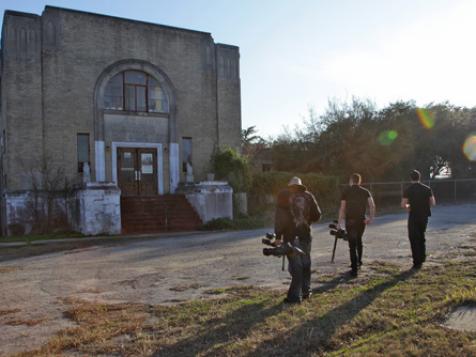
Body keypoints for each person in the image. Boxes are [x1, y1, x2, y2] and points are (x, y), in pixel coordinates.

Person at [284, 176, 321, 303]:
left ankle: (295, 294)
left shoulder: (286, 197)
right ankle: (306, 291)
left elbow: (281, 217)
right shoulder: (309, 196)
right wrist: (308, 221)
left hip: (290, 235)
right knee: (306, 263)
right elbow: (317, 215)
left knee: (295, 265)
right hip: (305, 233)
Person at [338, 173, 375, 277]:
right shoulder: (365, 191)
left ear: (351, 180)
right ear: (359, 181)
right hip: (361, 220)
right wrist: (371, 218)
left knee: (352, 244)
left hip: (350, 220)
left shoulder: (346, 192)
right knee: (359, 240)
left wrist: (339, 222)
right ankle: (359, 261)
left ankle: (354, 269)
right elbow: (372, 205)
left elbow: (342, 208)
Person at [401, 170, 436, 269]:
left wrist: (408, 206)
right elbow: (433, 202)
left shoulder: (408, 190)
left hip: (413, 216)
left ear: (411, 178)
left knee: (413, 238)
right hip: (424, 215)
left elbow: (403, 204)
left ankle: (416, 261)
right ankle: (422, 256)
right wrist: (425, 206)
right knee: (421, 235)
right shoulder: (427, 188)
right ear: (419, 177)